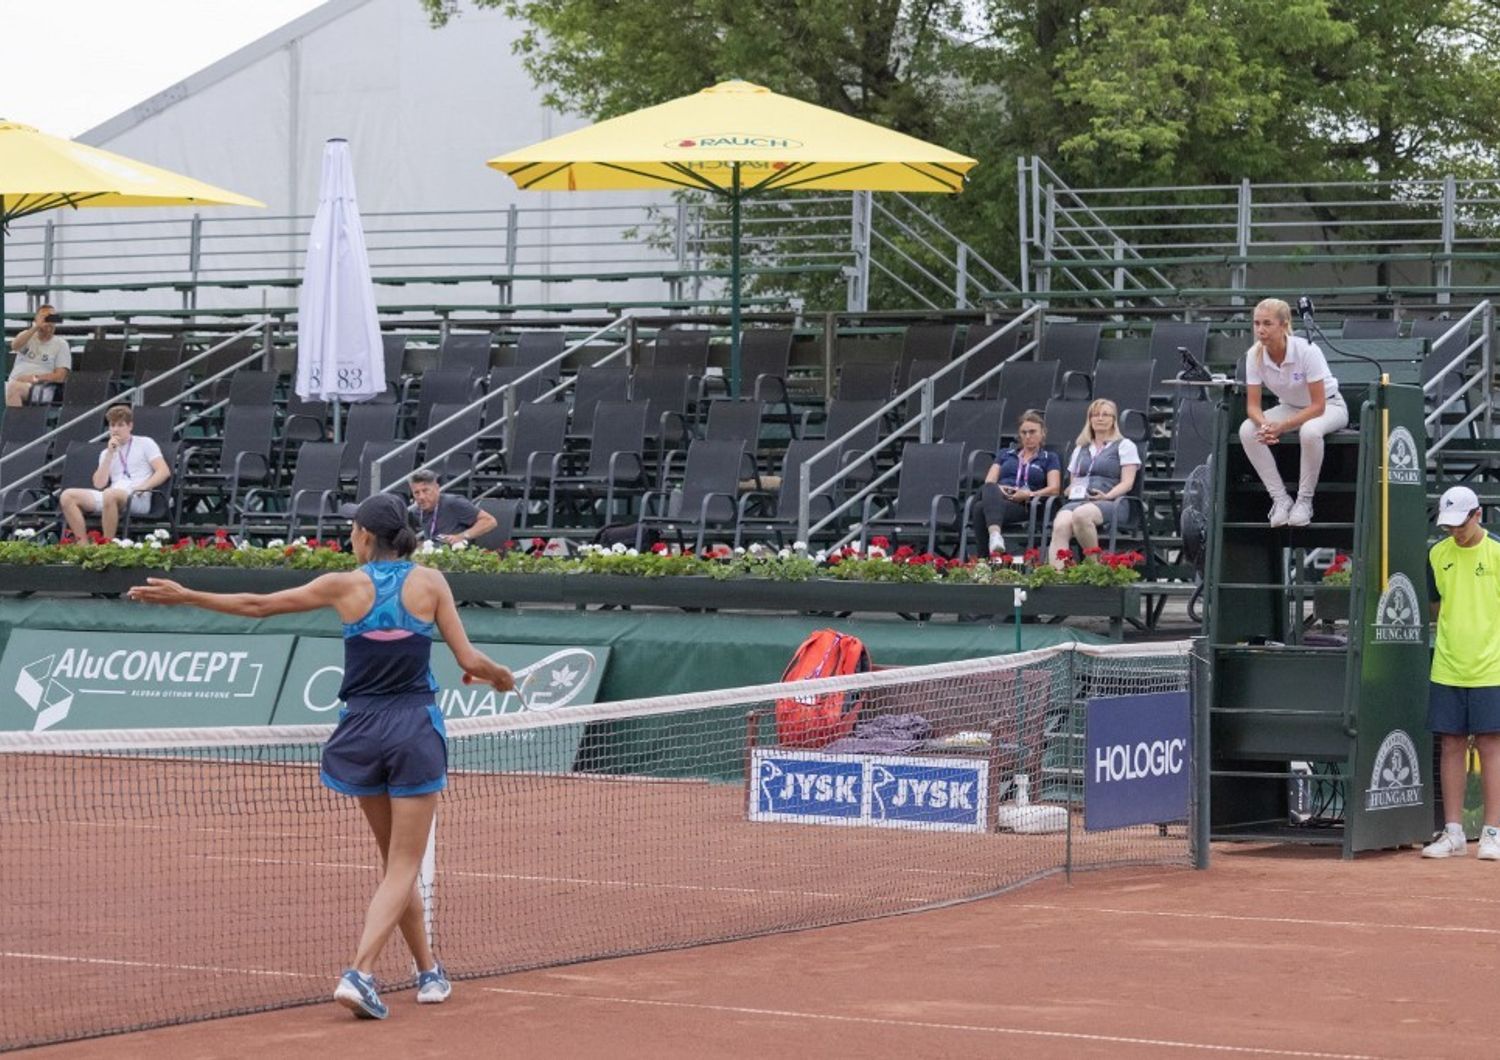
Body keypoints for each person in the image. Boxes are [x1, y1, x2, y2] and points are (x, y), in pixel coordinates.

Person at [126, 492, 515, 1018]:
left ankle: (428, 972)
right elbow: (468, 658)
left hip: (361, 730)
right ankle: (360, 972)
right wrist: (500, 677)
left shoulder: (343, 586)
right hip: (413, 729)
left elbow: (258, 606)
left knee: (394, 866)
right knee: (403, 866)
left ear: (364, 535)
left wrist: (188, 595)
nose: (348, 537)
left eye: (351, 530)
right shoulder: (430, 582)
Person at [1421, 486, 1500, 860]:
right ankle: (1452, 833)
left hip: (1492, 667)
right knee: (1450, 744)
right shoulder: (1436, 554)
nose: (1454, 531)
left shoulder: (1498, 553)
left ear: (1477, 515)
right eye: (1448, 525)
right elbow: (1436, 606)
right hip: (1448, 664)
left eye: (1460, 524)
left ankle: (1493, 833)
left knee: (1491, 746)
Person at [1237, 297, 1347, 527]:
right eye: (1257, 324)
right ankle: (1280, 499)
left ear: (1284, 325)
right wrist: (1265, 425)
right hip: (1290, 407)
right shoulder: (1253, 355)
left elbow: (1318, 406)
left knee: (1309, 432)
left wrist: (1282, 427)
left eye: (1267, 323)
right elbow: (1253, 407)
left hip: (1330, 406)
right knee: (1248, 430)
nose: (1260, 330)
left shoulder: (1307, 350)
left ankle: (1304, 501)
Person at [1048, 399, 1141, 570]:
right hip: (1079, 500)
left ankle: (1094, 567)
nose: (1100, 418)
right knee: (1060, 524)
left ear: (1113, 420)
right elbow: (1074, 479)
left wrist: (1108, 496)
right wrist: (1070, 488)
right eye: (1096, 415)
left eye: (1105, 415)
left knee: (1081, 515)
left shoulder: (1125, 446)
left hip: (1112, 501)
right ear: (1089, 419)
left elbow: (1127, 483)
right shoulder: (1080, 448)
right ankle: (1057, 576)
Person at [59, 404, 171, 543]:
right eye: (112, 425)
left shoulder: (145, 443)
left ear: (130, 426)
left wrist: (144, 487)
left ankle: (107, 545)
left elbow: (163, 471)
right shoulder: (106, 453)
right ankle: (83, 545)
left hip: (137, 496)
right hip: (111, 495)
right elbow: (99, 484)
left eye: (120, 425)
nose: (115, 429)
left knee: (109, 494)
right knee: (67, 496)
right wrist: (110, 454)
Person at [978, 409, 1062, 556]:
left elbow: (1054, 489)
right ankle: (995, 536)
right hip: (1000, 497)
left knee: (979, 509)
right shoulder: (1005, 454)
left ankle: (984, 562)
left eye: (1032, 432)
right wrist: (1003, 489)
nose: (1028, 436)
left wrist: (1029, 494)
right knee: (989, 488)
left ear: (1042, 433)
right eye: (1024, 433)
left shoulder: (1049, 457)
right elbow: (990, 480)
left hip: (1025, 504)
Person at [407, 469, 496, 546]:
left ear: (437, 488)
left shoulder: (454, 502)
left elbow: (490, 521)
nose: (421, 497)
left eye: (425, 491)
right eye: (416, 493)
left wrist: (462, 536)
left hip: (456, 557)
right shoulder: (417, 511)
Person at [7, 304, 72, 407]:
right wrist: (36, 327)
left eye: (52, 318)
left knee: (14, 389)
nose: (49, 322)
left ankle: (18, 423)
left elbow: (60, 377)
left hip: (44, 389)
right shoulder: (27, 336)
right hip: (14, 383)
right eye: (45, 318)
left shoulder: (61, 344)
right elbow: (15, 346)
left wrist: (33, 378)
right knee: (12, 388)